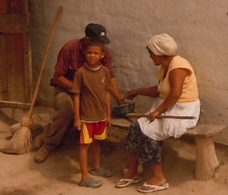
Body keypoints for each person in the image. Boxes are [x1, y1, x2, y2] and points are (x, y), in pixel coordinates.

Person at [115, 34, 200, 193]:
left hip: (183, 109)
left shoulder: (178, 66)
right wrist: (138, 91)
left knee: (149, 134)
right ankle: (133, 172)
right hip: (167, 106)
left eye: (151, 53)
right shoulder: (164, 66)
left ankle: (159, 178)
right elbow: (161, 89)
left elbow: (175, 93)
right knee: (136, 128)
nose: (150, 56)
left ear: (159, 52)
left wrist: (158, 111)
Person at [33, 23, 125, 163]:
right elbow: (58, 78)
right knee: (67, 110)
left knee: (89, 114)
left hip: (88, 94)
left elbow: (110, 78)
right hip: (66, 89)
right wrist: (80, 88)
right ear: (87, 39)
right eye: (98, 41)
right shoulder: (70, 48)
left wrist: (119, 99)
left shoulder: (103, 52)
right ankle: (49, 145)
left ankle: (47, 132)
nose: (101, 45)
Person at [71, 38, 113, 188]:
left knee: (97, 142)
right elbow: (76, 95)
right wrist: (77, 117)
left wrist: (108, 114)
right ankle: (84, 177)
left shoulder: (105, 71)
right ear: (85, 54)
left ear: (102, 55)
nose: (92, 56)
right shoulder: (81, 73)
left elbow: (107, 93)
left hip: (101, 116)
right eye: (89, 53)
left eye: (96, 53)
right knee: (84, 145)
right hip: (87, 118)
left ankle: (97, 167)